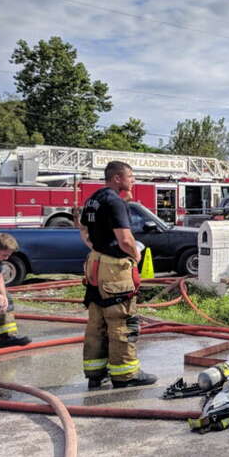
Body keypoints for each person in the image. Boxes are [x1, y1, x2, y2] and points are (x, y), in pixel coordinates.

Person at [79, 161, 157, 389]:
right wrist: (135, 255)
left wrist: (97, 248)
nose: (133, 180)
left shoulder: (93, 199)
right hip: (114, 269)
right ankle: (126, 375)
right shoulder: (115, 202)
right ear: (117, 178)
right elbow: (124, 239)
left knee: (96, 322)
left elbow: (83, 230)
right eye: (130, 176)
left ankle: (95, 374)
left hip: (95, 263)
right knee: (121, 320)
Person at [0, 233, 31, 349]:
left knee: (6, 299)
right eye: (4, 255)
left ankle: (6, 338)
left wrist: (3, 297)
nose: (6, 258)